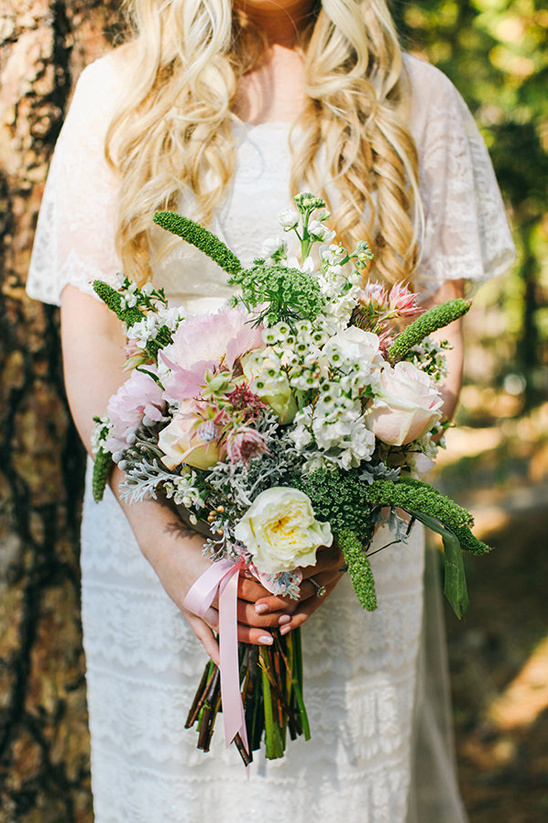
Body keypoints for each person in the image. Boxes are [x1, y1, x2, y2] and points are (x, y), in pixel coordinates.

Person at [26, 0, 515, 819]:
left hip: (349, 541)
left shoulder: (414, 97)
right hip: (149, 521)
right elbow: (95, 342)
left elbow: (435, 336)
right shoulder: (118, 95)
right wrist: (172, 551)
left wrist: (341, 524)